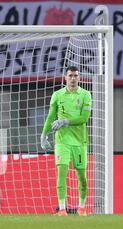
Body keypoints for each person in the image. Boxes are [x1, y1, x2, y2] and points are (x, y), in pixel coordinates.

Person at [40, 66, 92, 217]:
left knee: (81, 177)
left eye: (76, 75)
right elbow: (50, 116)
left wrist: (64, 121)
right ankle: (62, 209)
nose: (73, 78)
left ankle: (81, 208)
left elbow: (84, 118)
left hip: (79, 141)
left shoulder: (85, 95)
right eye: (70, 75)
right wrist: (44, 135)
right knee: (61, 173)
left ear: (79, 78)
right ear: (65, 78)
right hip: (62, 141)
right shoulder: (57, 95)